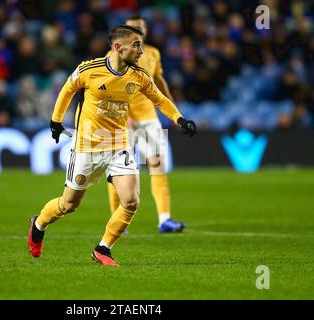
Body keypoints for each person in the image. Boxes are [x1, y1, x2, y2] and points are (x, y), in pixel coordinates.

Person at [27, 25, 196, 267]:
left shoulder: (139, 76)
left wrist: (179, 118)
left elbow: (159, 99)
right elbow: (67, 90)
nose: (141, 50)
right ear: (118, 47)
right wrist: (55, 120)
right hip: (87, 147)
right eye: (136, 45)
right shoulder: (90, 69)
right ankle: (39, 224)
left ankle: (103, 248)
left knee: (131, 201)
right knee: (68, 205)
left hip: (119, 145)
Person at [106, 15, 186, 233]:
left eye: (140, 28)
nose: (137, 31)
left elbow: (159, 82)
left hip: (148, 118)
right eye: (132, 28)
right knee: (118, 171)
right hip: (121, 120)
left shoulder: (152, 53)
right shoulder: (114, 55)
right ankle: (117, 221)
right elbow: (109, 90)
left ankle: (165, 220)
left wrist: (173, 111)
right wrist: (125, 118)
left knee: (158, 165)